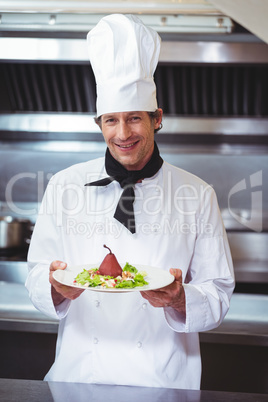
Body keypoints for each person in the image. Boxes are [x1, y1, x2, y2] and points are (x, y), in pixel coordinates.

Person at [26, 14, 235, 390]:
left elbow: (218, 292)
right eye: (111, 121)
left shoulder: (197, 195)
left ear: (157, 119)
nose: (123, 134)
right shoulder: (63, 185)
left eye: (135, 118)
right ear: (99, 123)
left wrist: (180, 298)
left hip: (164, 382)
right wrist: (56, 287)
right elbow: (37, 275)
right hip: (77, 380)